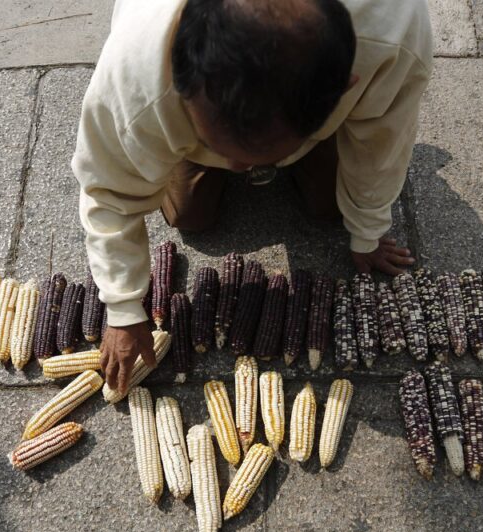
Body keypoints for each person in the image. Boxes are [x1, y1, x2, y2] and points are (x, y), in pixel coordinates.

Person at [74, 0, 433, 393]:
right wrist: (123, 308)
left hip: (311, 101)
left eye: (252, 159)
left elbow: (382, 142)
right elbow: (109, 191)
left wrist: (368, 228)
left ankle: (273, 144)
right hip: (179, 100)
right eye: (221, 148)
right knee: (189, 214)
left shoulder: (392, 35)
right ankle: (239, 143)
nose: (238, 169)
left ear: (344, 88)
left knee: (330, 208)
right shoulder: (136, 73)